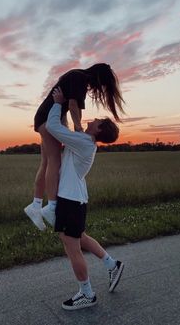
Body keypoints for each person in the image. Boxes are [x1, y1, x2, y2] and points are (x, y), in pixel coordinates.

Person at [34, 86, 124, 310]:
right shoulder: (84, 141)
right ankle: (112, 264)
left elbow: (54, 127)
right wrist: (69, 108)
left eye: (97, 120)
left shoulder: (84, 142)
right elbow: (71, 127)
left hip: (70, 201)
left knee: (71, 245)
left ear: (99, 129)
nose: (92, 119)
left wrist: (57, 102)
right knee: (80, 237)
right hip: (76, 200)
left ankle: (87, 294)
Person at [24, 63, 125, 229]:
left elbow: (76, 108)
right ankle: (51, 206)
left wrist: (77, 129)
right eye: (103, 84)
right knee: (54, 161)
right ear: (99, 77)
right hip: (50, 118)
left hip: (48, 116)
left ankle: (35, 205)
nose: (100, 88)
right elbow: (72, 106)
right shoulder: (79, 77)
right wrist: (78, 130)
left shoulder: (80, 78)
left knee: (47, 162)